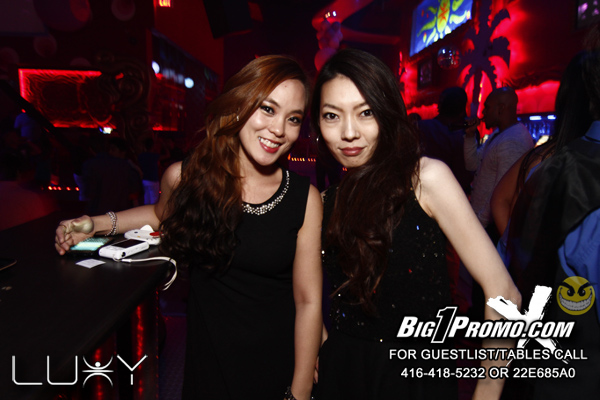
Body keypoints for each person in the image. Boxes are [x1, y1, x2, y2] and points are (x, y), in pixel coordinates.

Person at [55, 55, 323, 400]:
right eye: (267, 109)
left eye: (293, 118)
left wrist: (300, 392)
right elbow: (159, 215)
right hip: (209, 362)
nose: (279, 129)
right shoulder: (188, 179)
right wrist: (95, 225)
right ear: (239, 105)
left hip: (277, 361)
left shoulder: (304, 198)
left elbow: (308, 301)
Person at [310, 49, 520, 400]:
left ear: (388, 113)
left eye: (366, 112)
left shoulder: (425, 179)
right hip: (343, 374)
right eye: (332, 115)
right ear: (318, 123)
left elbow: (504, 293)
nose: (348, 132)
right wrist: (321, 344)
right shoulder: (324, 201)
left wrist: (486, 392)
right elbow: (302, 291)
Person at [491, 51, 594, 266]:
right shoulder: (548, 158)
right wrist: (521, 260)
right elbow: (500, 199)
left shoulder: (546, 153)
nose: (483, 112)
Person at [464, 87, 534, 243]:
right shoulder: (499, 134)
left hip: (489, 228)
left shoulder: (512, 141)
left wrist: (479, 225)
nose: (483, 112)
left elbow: (502, 193)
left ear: (501, 108)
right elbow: (472, 165)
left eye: (487, 107)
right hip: (482, 223)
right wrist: (470, 136)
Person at [417, 86, 474, 194]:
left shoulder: (422, 127)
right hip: (453, 192)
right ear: (462, 110)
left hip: (424, 189)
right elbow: (465, 174)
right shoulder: (465, 133)